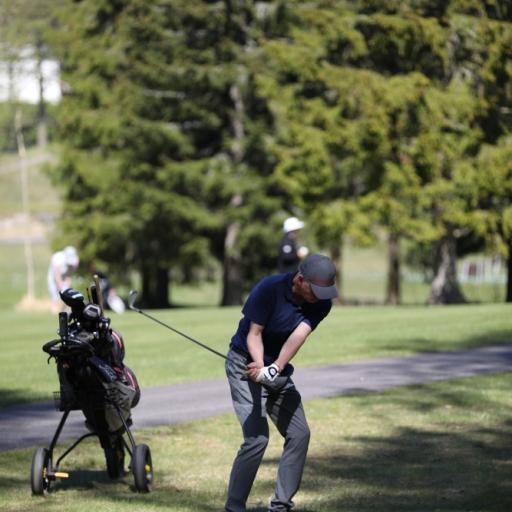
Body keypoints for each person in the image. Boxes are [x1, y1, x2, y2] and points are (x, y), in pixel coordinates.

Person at [225, 253, 338, 512]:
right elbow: (254, 334)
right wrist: (261, 367)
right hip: (244, 364)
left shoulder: (321, 303)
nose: (321, 296)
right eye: (316, 290)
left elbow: (299, 335)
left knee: (299, 433)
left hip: (275, 367)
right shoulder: (270, 289)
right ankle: (233, 508)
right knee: (256, 438)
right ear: (300, 279)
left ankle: (280, 507)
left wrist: (273, 369)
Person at [47, 246, 79, 313]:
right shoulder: (57, 258)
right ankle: (54, 311)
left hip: (65, 275)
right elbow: (56, 275)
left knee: (67, 292)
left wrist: (66, 287)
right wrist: (61, 287)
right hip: (53, 275)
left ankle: (65, 310)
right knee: (54, 293)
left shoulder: (75, 261)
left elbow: (69, 275)